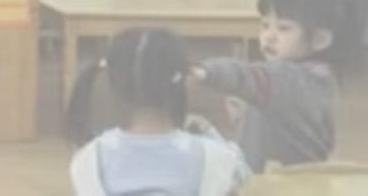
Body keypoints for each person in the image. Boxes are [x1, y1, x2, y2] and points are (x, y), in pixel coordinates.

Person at [68, 29, 250, 196]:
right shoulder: (217, 159)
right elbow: (244, 175)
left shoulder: (88, 161)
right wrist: (210, 131)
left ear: (115, 83)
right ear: (182, 80)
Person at [191, 0, 351, 171]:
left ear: (319, 40)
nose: (268, 36)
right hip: (300, 178)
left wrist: (207, 71)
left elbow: (249, 76)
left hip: (276, 184)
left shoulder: (290, 79)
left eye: (283, 28)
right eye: (265, 25)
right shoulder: (321, 78)